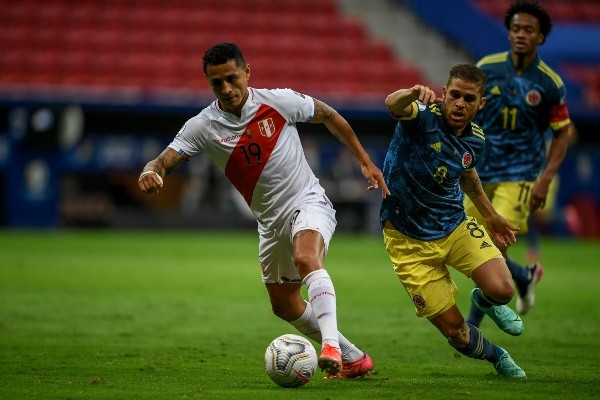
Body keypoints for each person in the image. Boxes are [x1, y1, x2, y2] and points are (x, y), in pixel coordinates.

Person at [137, 42, 389, 379]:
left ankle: (330, 345)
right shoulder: (203, 126)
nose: (226, 89)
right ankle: (354, 358)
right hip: (270, 224)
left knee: (306, 258)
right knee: (283, 304)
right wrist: (151, 171)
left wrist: (365, 160)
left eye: (231, 78)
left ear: (247, 73)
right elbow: (166, 159)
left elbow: (328, 114)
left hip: (307, 201)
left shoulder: (278, 101)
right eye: (217, 83)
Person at [380, 64, 526, 378]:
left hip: (454, 226)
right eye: (455, 95)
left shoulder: (476, 140)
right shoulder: (421, 116)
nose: (460, 103)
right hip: (408, 243)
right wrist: (411, 92)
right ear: (444, 94)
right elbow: (393, 104)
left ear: (480, 104)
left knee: (503, 290)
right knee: (457, 334)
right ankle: (497, 357)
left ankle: (483, 299)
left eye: (469, 99)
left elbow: (467, 173)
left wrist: (490, 216)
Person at [464, 0, 572, 326]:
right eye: (515, 29)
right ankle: (523, 277)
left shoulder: (549, 83)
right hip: (481, 171)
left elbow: (562, 134)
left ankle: (472, 326)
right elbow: (467, 112)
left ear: (540, 37)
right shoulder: (487, 68)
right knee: (465, 238)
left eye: (528, 30)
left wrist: (546, 178)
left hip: (521, 174)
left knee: (496, 243)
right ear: (508, 33)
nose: (520, 35)